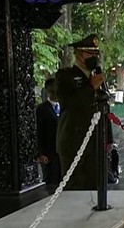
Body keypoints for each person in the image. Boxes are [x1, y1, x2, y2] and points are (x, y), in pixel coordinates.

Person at [55, 34, 113, 190]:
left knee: (96, 188)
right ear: (79, 54)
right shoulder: (65, 76)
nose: (94, 57)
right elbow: (68, 103)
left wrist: (108, 138)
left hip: (95, 142)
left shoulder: (97, 77)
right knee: (75, 189)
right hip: (73, 141)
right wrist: (90, 87)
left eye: (96, 54)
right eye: (90, 54)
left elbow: (105, 109)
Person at [36, 78, 61, 188]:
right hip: (49, 153)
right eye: (52, 91)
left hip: (62, 151)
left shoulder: (64, 108)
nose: (55, 94)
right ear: (47, 91)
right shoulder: (41, 109)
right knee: (51, 182)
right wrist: (40, 153)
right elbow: (38, 132)